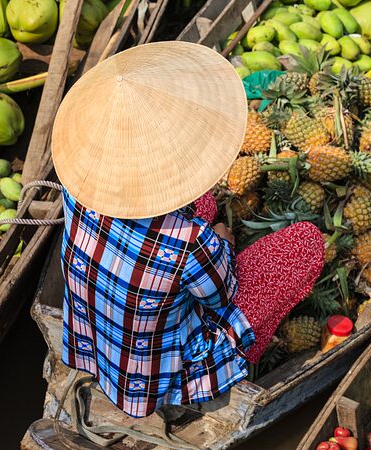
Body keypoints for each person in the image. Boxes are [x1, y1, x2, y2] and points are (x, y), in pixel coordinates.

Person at [50, 42, 325, 419]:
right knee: (303, 244)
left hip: (97, 338)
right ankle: (229, 371)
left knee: (205, 204)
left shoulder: (78, 184)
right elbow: (222, 297)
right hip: (163, 373)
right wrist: (222, 244)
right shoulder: (191, 241)